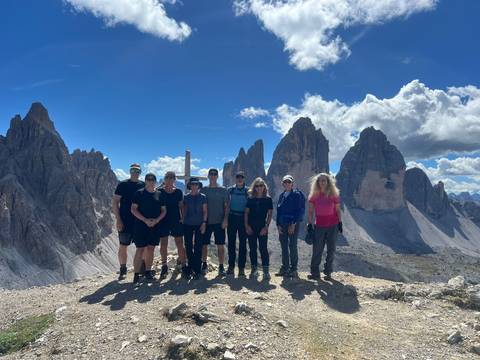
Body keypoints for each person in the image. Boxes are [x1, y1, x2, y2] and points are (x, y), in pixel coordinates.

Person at [131, 173, 166, 284]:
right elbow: (133, 209)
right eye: (148, 179)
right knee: (140, 249)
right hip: (141, 225)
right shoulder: (139, 193)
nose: (150, 181)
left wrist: (156, 220)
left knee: (151, 248)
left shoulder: (159, 194)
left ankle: (148, 271)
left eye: (152, 179)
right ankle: (136, 275)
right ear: (145, 181)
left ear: (155, 181)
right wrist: (145, 220)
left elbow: (164, 210)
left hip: (155, 225)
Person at [112, 163, 145, 280]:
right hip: (125, 220)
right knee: (123, 245)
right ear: (130, 171)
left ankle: (141, 268)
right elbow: (115, 202)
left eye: (137, 171)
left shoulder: (143, 185)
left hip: (139, 221)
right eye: (133, 170)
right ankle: (123, 269)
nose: (135, 172)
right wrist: (118, 219)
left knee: (141, 246)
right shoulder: (122, 185)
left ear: (140, 172)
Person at [307, 173, 342, 281]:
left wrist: (340, 223)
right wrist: (309, 224)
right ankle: (315, 272)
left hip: (333, 225)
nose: (322, 183)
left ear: (328, 182)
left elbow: (337, 210)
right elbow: (310, 211)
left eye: (324, 181)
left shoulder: (333, 194)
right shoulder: (314, 195)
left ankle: (328, 271)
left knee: (331, 249)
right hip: (319, 226)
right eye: (320, 181)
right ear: (317, 183)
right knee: (317, 249)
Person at [158, 171, 187, 278]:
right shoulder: (159, 191)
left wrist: (183, 218)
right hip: (163, 220)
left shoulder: (178, 192)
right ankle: (164, 266)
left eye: (171, 177)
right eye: (167, 177)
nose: (169, 179)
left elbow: (181, 206)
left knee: (179, 243)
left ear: (174, 179)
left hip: (176, 220)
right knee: (164, 244)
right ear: (164, 179)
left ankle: (184, 265)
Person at [200, 168, 230, 276]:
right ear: (208, 176)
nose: (213, 176)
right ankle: (204, 264)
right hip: (206, 222)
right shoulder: (203, 190)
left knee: (220, 245)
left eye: (215, 174)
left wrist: (225, 219)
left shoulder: (223, 190)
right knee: (204, 244)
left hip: (219, 222)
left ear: (217, 176)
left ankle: (221, 266)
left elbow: (227, 207)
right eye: (211, 174)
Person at [276, 175, 305, 278]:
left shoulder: (298, 195)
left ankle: (294, 269)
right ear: (283, 184)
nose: (287, 184)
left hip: (293, 224)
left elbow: (300, 210)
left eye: (289, 182)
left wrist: (293, 224)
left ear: (292, 184)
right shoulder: (282, 195)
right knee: (284, 246)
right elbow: (278, 211)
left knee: (292, 246)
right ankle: (285, 268)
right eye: (285, 182)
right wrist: (278, 225)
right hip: (282, 224)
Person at [244, 177, 273, 280]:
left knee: (263, 249)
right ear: (254, 187)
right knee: (252, 249)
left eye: (261, 185)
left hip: (262, 227)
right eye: (257, 186)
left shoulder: (268, 199)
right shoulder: (250, 199)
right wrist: (247, 226)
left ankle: (266, 272)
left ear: (264, 187)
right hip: (251, 227)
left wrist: (266, 227)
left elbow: (270, 215)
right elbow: (246, 213)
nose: (259, 188)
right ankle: (254, 270)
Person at [183, 177, 208, 279]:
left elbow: (205, 211)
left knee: (198, 246)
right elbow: (183, 210)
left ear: (198, 185)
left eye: (196, 184)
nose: (194, 186)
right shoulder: (186, 197)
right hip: (187, 224)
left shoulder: (203, 197)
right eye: (192, 184)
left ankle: (197, 269)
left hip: (199, 224)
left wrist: (204, 223)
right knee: (188, 246)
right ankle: (191, 267)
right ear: (190, 185)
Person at [226, 171, 248, 276]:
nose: (240, 179)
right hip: (232, 217)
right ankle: (231, 266)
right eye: (238, 177)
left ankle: (241, 268)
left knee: (243, 244)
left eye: (242, 177)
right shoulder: (230, 190)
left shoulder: (248, 191)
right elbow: (226, 205)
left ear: (244, 179)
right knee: (231, 243)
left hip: (243, 218)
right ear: (235, 179)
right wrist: (225, 218)